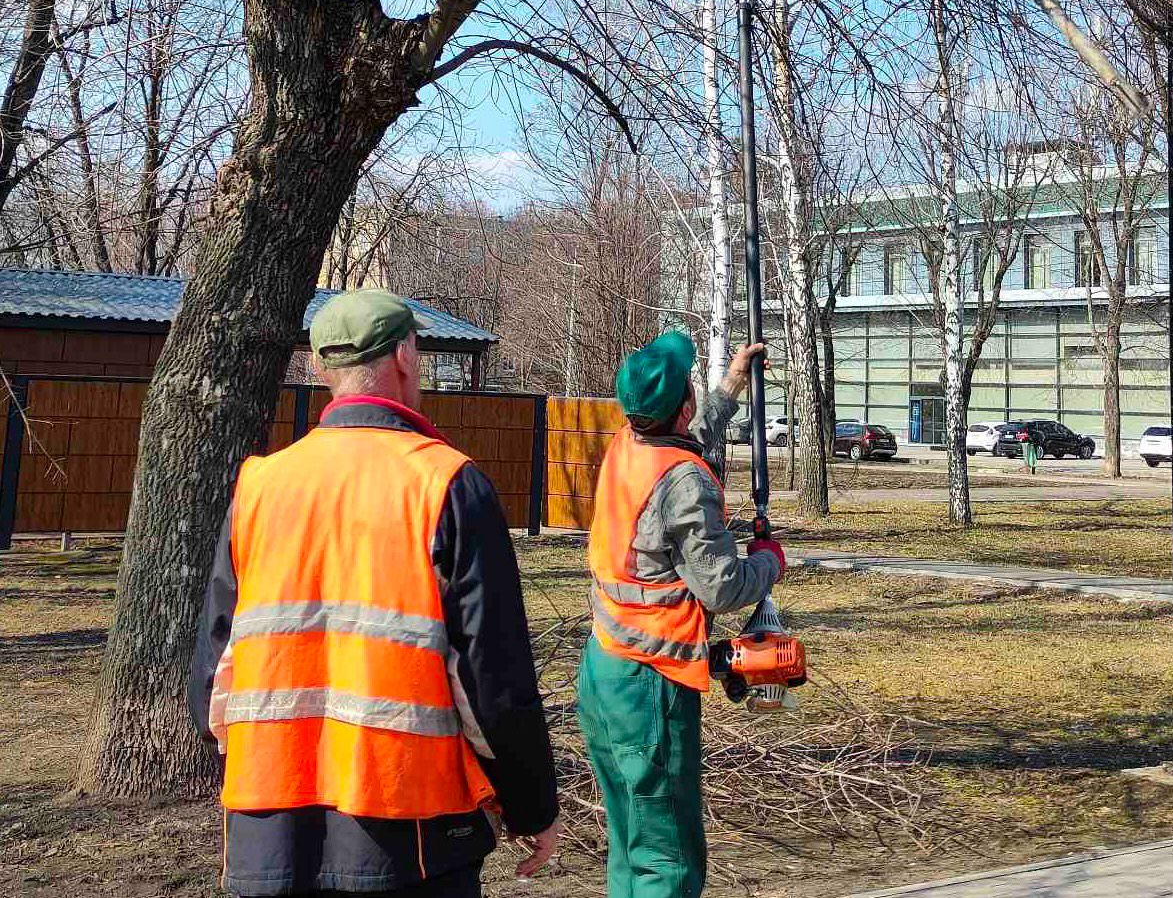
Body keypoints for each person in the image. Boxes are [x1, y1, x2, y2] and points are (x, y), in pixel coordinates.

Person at [189, 288, 561, 898]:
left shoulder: (258, 487)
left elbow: (216, 668)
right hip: (409, 830)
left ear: (318, 367)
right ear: (407, 356)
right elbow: (492, 681)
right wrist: (530, 806)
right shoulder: (446, 483)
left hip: (267, 831)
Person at [577, 332, 785, 898]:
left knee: (631, 846)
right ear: (683, 404)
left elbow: (687, 441)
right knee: (667, 861)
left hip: (605, 672)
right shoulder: (683, 480)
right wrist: (768, 563)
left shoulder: (627, 445)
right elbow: (721, 587)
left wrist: (731, 387)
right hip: (653, 684)